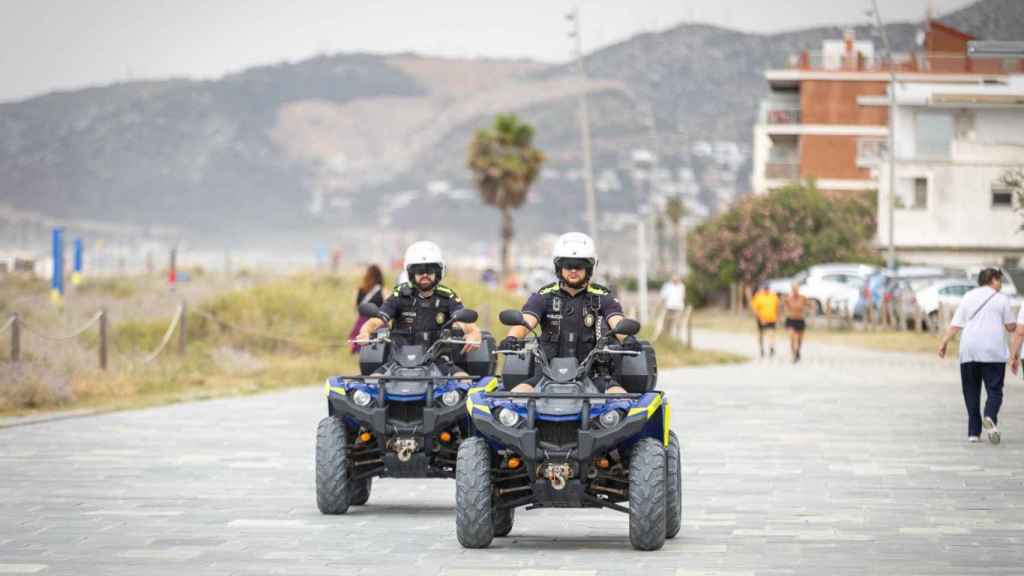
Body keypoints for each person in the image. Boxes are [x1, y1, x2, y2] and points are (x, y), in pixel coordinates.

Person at [499, 232, 639, 394]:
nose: (573, 270)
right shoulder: (543, 296)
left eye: (579, 266)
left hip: (594, 374)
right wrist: (512, 338)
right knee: (514, 399)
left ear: (589, 268)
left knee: (620, 400)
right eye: (568, 265)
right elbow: (524, 321)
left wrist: (628, 338)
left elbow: (617, 321)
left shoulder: (603, 297)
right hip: (546, 374)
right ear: (559, 267)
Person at [356, 241, 481, 376]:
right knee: (373, 383)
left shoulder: (447, 296)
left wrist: (474, 334)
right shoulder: (399, 296)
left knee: (463, 381)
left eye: (430, 270)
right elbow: (377, 319)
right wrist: (365, 332)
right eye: (419, 271)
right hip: (396, 361)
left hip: (438, 361)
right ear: (411, 273)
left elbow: (464, 321)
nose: (425, 275)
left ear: (439, 272)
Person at [941, 267, 1015, 444]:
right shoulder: (1001, 299)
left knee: (971, 390)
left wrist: (944, 341)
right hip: (993, 351)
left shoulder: (968, 296)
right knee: (994, 390)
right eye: (1000, 281)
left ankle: (974, 433)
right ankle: (989, 416)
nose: (1001, 285)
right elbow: (1011, 326)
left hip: (970, 350)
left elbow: (956, 324)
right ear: (993, 280)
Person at [349, 264, 385, 354]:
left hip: (361, 322)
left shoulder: (360, 290)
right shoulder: (383, 291)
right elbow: (387, 309)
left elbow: (355, 307)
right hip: (377, 323)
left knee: (361, 346)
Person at [750, 283, 780, 358]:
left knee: (771, 334)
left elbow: (777, 307)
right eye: (765, 288)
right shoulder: (758, 296)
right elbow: (755, 309)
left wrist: (778, 316)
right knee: (761, 335)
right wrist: (760, 318)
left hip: (771, 318)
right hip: (761, 319)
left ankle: (771, 347)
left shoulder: (773, 296)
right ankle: (762, 348)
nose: (766, 290)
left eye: (767, 288)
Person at [656, 275, 686, 341]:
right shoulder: (667, 286)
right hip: (668, 307)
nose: (675, 279)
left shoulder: (681, 286)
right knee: (666, 323)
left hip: (678, 307)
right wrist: (659, 305)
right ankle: (667, 337)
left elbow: (683, 296)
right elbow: (663, 296)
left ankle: (678, 337)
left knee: (678, 323)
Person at [783, 283, 808, 363]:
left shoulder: (803, 298)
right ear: (791, 289)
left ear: (798, 289)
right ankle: (793, 354)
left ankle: (798, 351)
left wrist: (806, 311)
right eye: (793, 288)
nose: (795, 290)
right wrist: (788, 312)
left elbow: (809, 306)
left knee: (800, 339)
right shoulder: (788, 298)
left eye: (796, 288)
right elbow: (785, 307)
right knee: (792, 337)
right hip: (791, 320)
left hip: (800, 320)